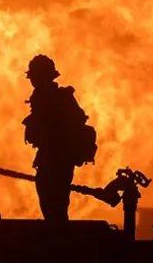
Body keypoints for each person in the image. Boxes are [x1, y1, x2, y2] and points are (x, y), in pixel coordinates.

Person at [21, 54, 96, 221]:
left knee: (55, 205)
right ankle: (56, 232)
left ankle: (58, 237)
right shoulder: (44, 98)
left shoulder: (58, 98)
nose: (32, 81)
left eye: (35, 76)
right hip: (50, 158)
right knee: (50, 203)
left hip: (58, 160)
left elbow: (68, 128)